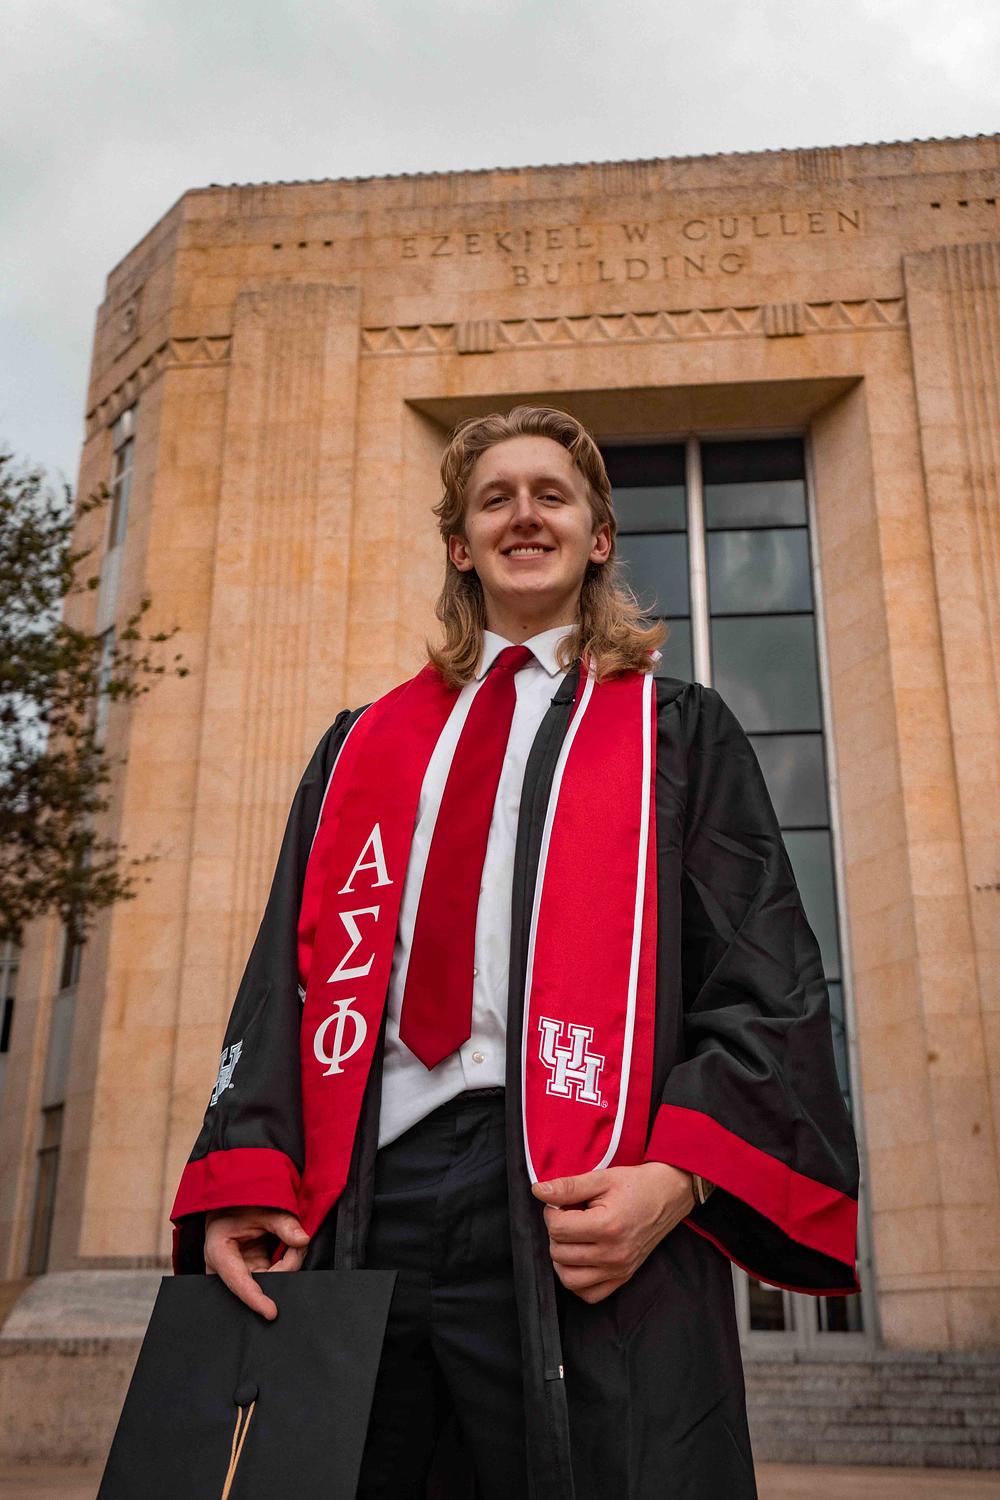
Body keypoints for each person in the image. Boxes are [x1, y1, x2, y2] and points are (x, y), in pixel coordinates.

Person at [171, 405, 861, 1500]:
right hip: (370, 1202)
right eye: (496, 499)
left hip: (578, 1198)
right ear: (461, 544)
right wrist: (245, 1177)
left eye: (553, 496)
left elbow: (762, 975)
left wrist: (677, 1181)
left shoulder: (673, 732)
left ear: (598, 537)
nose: (524, 515)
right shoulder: (360, 747)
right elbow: (283, 982)